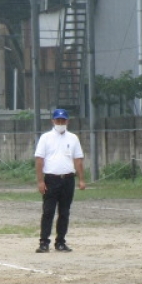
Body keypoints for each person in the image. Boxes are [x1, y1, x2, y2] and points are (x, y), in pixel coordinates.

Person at [34, 108, 86, 253]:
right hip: (51, 179)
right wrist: (40, 181)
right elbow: (39, 160)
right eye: (58, 120)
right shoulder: (46, 138)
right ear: (53, 121)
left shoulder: (73, 138)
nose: (60, 123)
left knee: (64, 212)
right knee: (48, 211)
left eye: (63, 120)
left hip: (68, 179)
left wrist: (81, 179)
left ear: (67, 121)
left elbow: (78, 160)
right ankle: (44, 242)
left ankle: (61, 241)